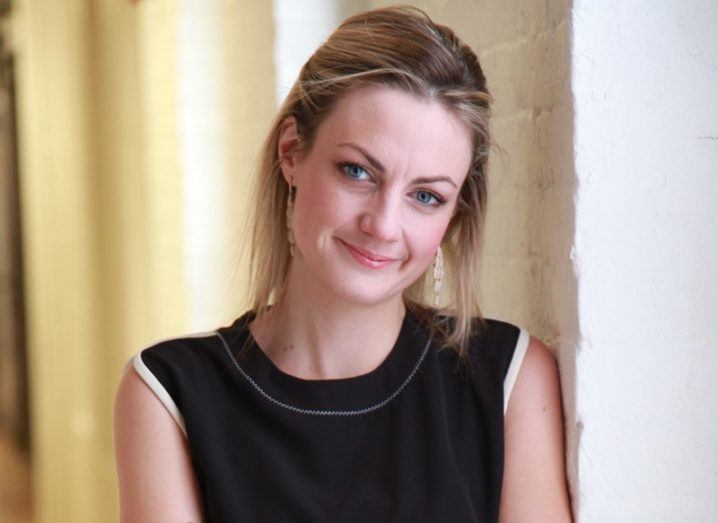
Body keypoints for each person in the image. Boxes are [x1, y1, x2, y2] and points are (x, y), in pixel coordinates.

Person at [114, 6, 572, 522]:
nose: (383, 224)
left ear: (454, 213)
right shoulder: (169, 392)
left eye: (426, 196)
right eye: (357, 171)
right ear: (291, 152)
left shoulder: (509, 379)